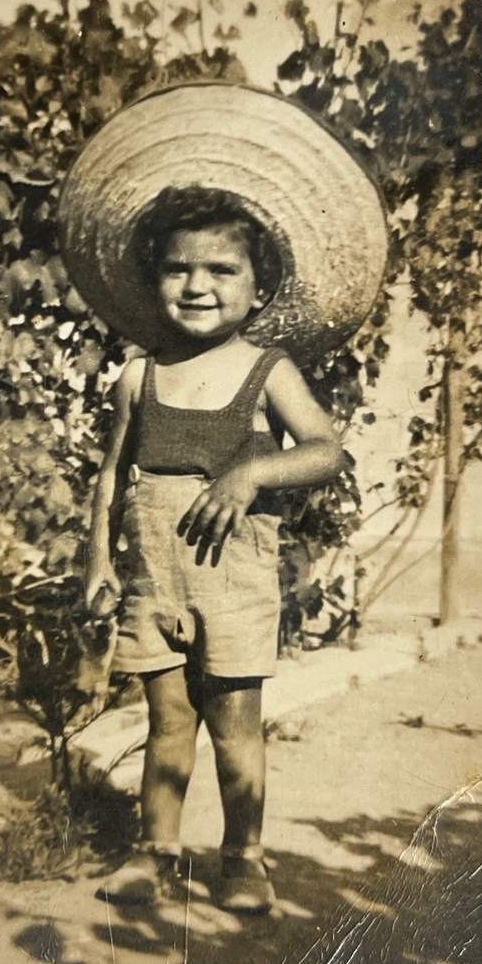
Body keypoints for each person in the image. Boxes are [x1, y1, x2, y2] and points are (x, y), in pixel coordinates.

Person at [83, 186, 345, 914]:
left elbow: (326, 450)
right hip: (155, 581)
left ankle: (244, 860)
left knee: (235, 727)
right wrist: (99, 563)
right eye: (178, 268)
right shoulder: (140, 375)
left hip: (233, 583)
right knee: (167, 724)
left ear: (258, 288)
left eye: (221, 269)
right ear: (154, 279)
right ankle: (156, 853)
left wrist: (253, 470)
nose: (197, 285)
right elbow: (110, 476)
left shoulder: (269, 372)